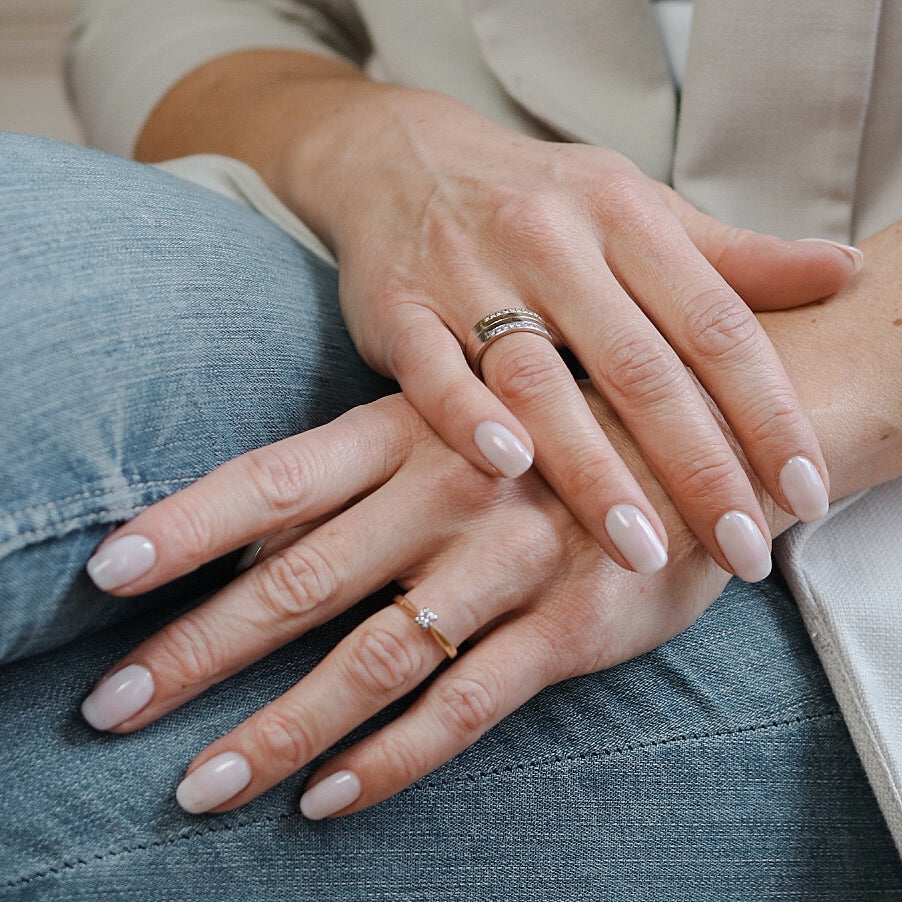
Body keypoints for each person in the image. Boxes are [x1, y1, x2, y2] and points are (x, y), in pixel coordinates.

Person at [1, 1, 901, 898]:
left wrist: (740, 408)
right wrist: (367, 142)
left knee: (58, 823)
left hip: (859, 528)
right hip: (400, 262)